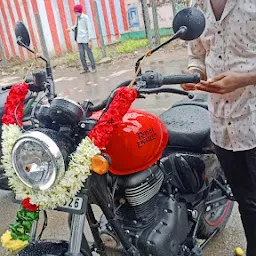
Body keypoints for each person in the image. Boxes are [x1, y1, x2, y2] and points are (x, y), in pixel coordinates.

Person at [182, 1, 256, 255]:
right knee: (246, 202)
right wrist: (193, 74)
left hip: (254, 122)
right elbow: (197, 55)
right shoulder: (197, 6)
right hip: (221, 125)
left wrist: (245, 79)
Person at [67, 4, 96, 73]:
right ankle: (85, 68)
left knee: (89, 53)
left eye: (76, 12)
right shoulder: (77, 18)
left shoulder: (85, 17)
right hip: (79, 39)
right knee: (81, 54)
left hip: (86, 39)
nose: (75, 14)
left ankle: (93, 67)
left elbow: (89, 28)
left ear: (80, 11)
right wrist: (71, 29)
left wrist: (90, 40)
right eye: (75, 12)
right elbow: (76, 26)